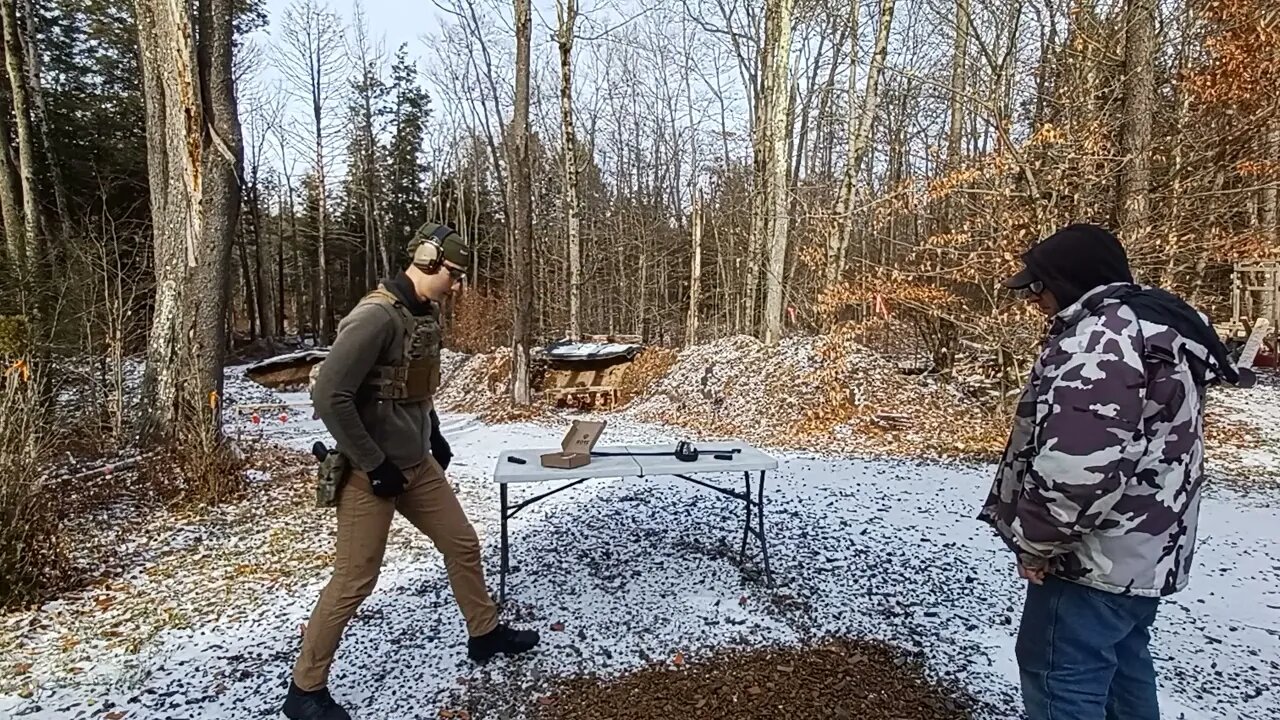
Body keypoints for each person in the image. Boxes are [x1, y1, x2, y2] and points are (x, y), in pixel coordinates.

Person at [979, 223, 1244, 720]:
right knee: (1123, 669)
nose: (1034, 299)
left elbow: (1077, 465)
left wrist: (1037, 543)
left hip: (1094, 557)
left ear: (1070, 279)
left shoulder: (1101, 339)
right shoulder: (1159, 328)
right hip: (1146, 547)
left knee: (1061, 672)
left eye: (1038, 286)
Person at [283, 223, 540, 720]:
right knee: (354, 580)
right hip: (368, 472)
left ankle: (483, 633)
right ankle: (305, 689)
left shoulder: (423, 315)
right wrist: (376, 466)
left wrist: (433, 434)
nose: (458, 285)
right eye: (454, 273)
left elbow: (414, 388)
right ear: (426, 261)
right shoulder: (375, 317)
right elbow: (329, 396)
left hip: (415, 465)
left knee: (462, 543)